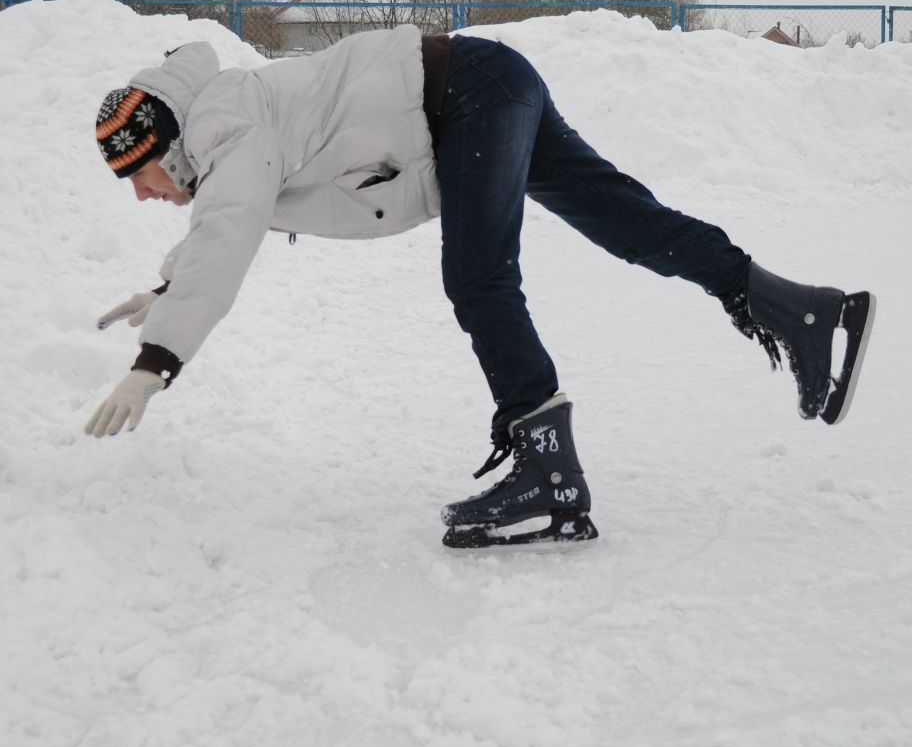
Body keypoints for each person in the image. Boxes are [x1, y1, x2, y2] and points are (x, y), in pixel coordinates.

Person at [86, 28, 876, 548]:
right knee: (629, 223)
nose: (141, 194)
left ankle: (548, 468)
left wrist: (155, 360)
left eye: (138, 174)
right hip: (487, 82)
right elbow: (223, 220)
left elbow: (227, 229)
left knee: (478, 274)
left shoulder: (226, 131)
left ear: (164, 143)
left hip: (466, 97)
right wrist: (168, 286)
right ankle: (802, 312)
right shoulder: (218, 128)